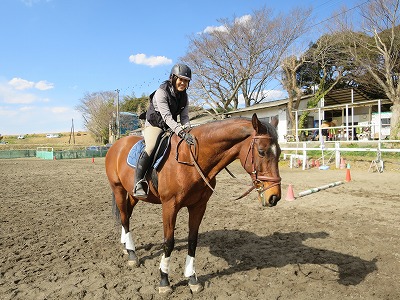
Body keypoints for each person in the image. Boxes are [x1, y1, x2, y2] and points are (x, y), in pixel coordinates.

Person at [134, 63, 195, 198]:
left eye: (186, 81)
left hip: (170, 126)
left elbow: (184, 117)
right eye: (181, 79)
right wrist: (181, 132)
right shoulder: (161, 92)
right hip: (155, 124)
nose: (183, 83)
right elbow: (167, 117)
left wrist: (188, 130)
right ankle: (138, 182)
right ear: (173, 78)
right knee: (151, 146)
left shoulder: (184, 96)